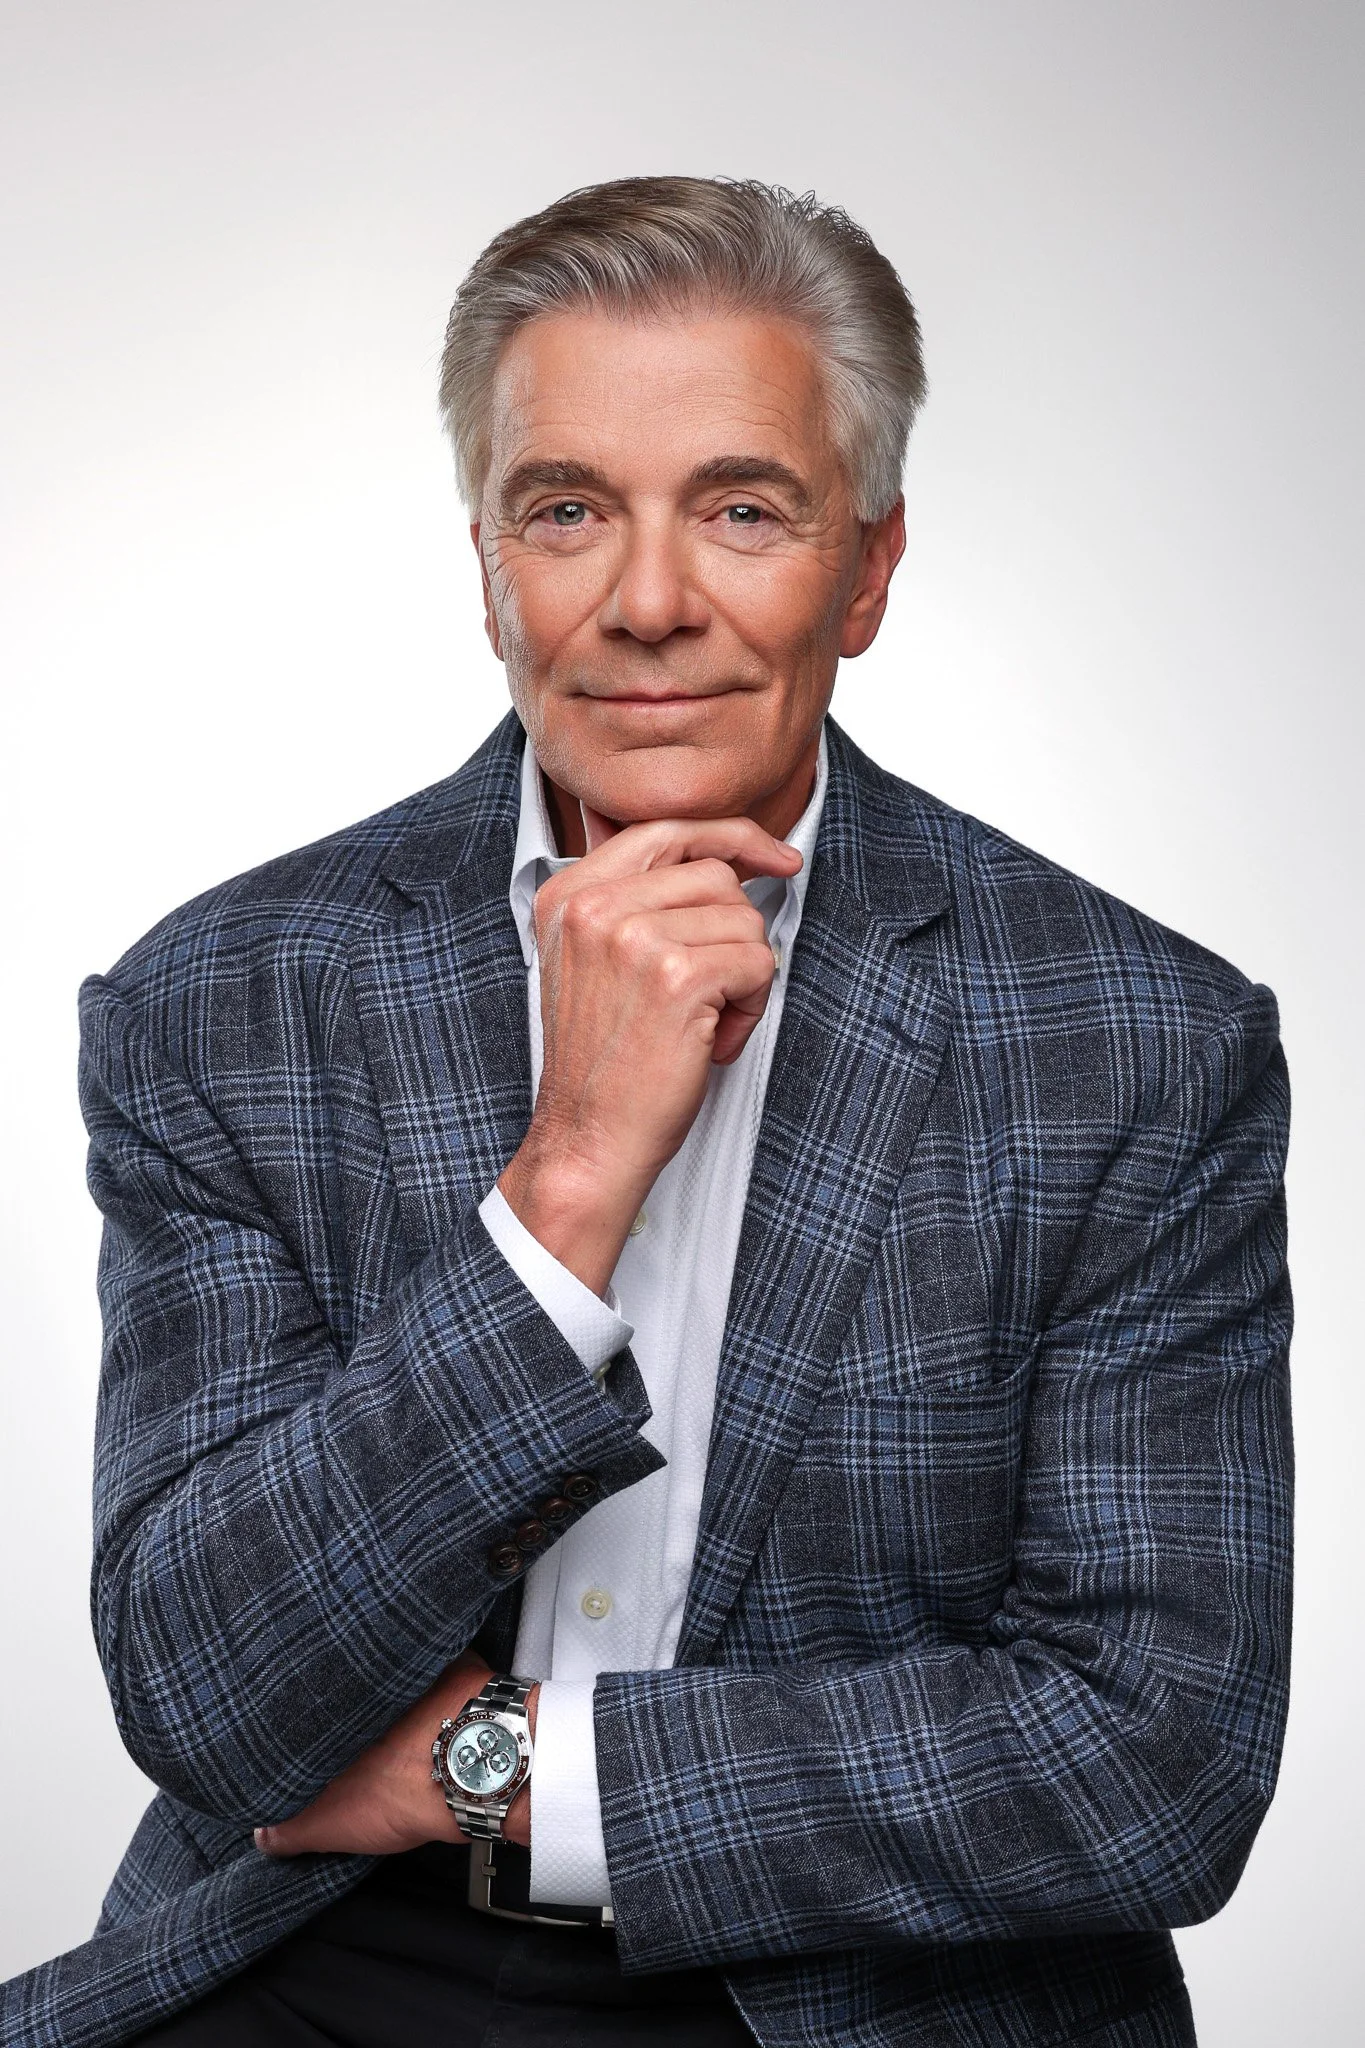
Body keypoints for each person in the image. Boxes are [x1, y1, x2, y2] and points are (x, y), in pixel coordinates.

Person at [0, 177, 1292, 2048]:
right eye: (569, 511)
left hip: (883, 1996)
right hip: (320, 1956)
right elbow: (212, 1695)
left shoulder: (1136, 1042)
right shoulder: (226, 998)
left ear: (868, 564)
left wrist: (510, 1772)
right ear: (488, 566)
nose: (652, 602)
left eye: (743, 511)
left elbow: (1151, 1759)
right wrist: (571, 1183)